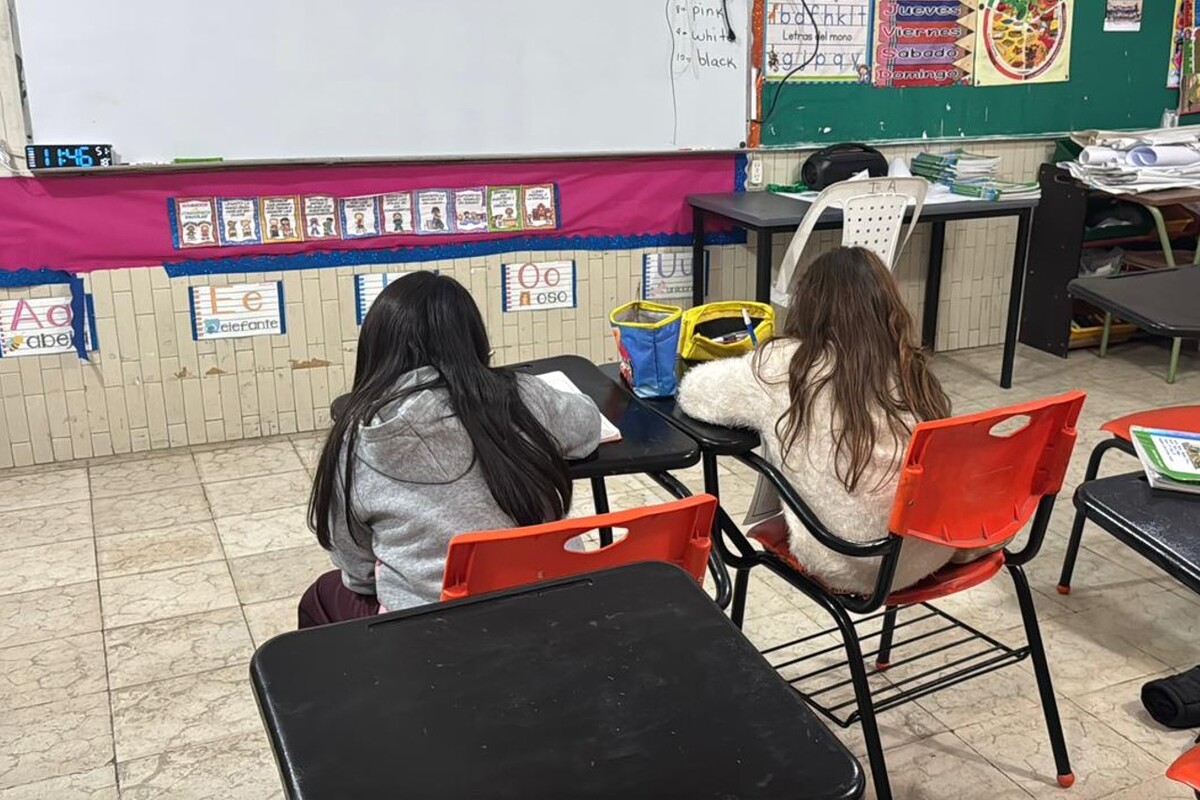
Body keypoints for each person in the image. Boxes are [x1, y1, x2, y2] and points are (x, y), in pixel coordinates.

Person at [300, 272, 603, 626]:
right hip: (547, 608)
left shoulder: (356, 437)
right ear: (472, 339)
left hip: (430, 635)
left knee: (322, 594)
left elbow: (357, 569)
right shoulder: (522, 396)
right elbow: (589, 426)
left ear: (376, 349)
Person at [677, 246, 962, 595]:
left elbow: (693, 393)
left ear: (808, 305)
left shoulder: (786, 366)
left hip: (849, 562)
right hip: (929, 549)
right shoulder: (907, 363)